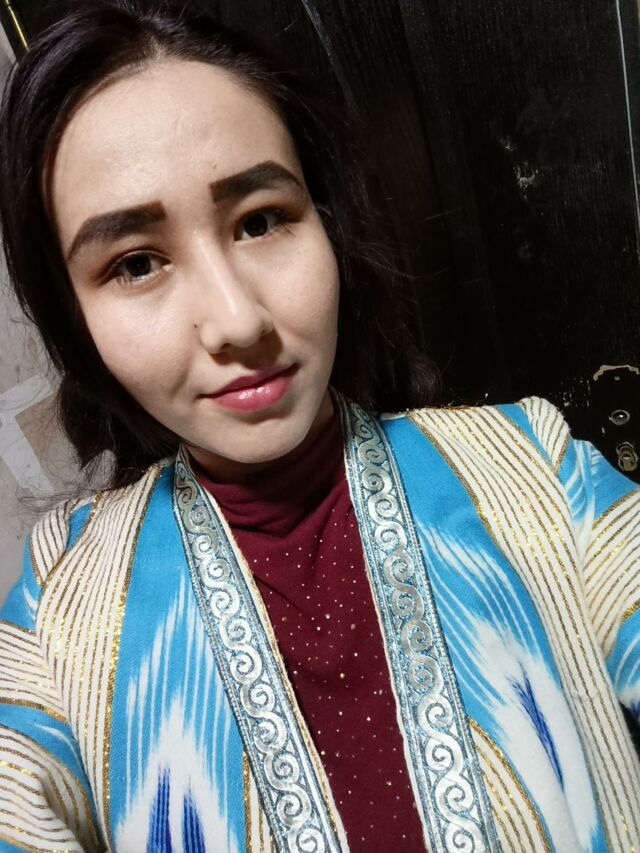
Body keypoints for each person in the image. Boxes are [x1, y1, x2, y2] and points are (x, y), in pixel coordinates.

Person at [0, 1, 638, 850]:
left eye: (261, 220)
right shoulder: (59, 610)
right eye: (136, 263)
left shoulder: (531, 467)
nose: (237, 321)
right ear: (76, 319)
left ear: (327, 225)